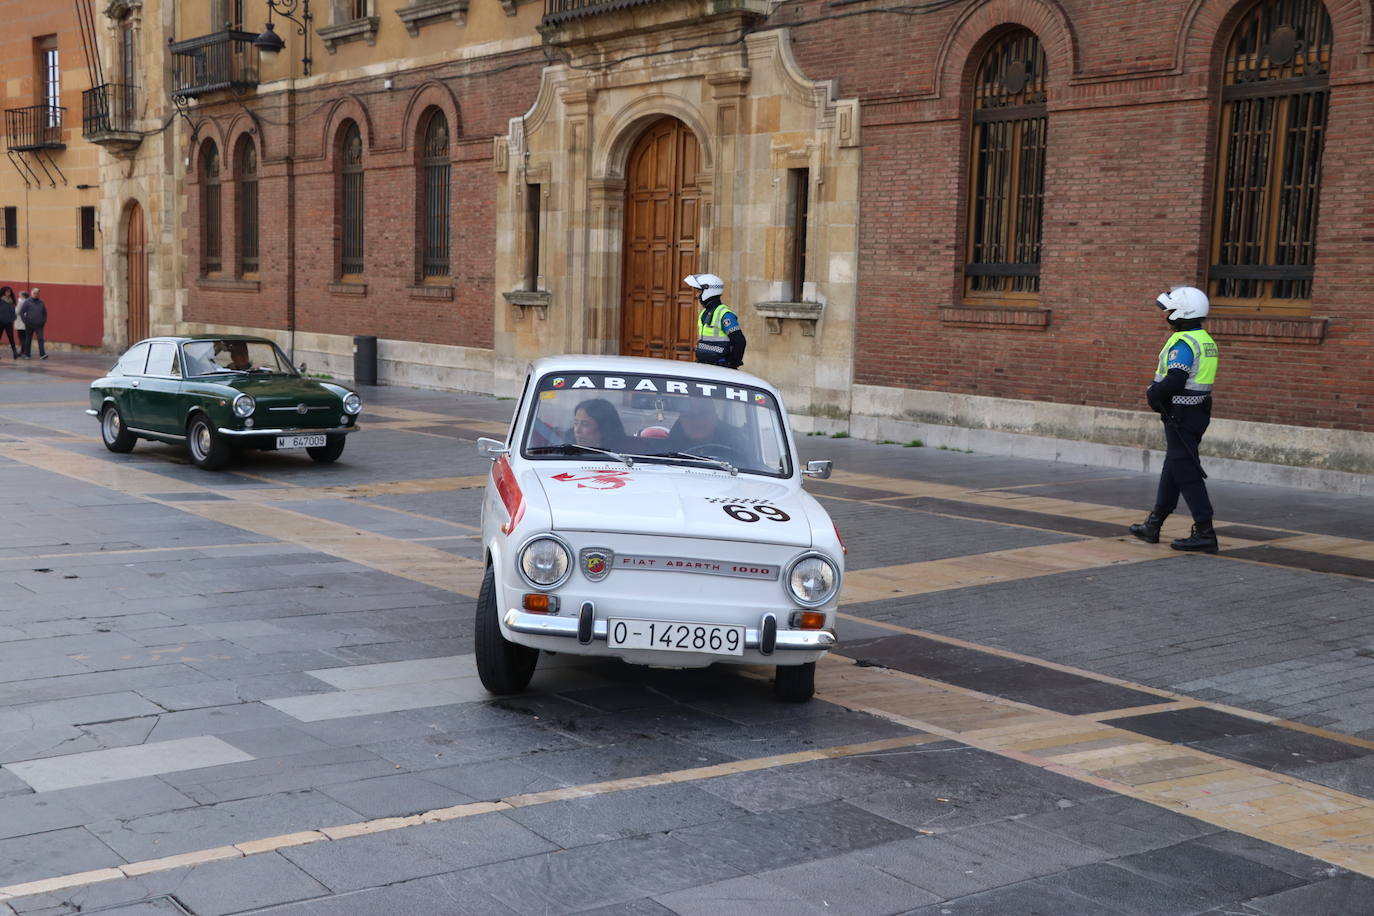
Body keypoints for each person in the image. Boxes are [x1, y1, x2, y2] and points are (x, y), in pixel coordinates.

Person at [1129, 286, 1220, 553]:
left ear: (1182, 311)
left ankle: (1205, 532)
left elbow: (1175, 379)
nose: (1165, 315)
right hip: (1195, 413)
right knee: (1174, 469)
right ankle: (1153, 525)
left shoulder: (1184, 343)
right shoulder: (1203, 339)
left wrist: (1152, 393)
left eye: (1168, 310)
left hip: (1181, 415)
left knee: (1187, 474)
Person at [684, 273, 746, 369]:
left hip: (720, 368)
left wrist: (732, 364)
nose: (697, 295)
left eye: (700, 291)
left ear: (709, 290)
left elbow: (739, 341)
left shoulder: (725, 314)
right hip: (704, 365)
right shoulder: (704, 313)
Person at [665, 397, 749, 460]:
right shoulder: (663, 453)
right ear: (681, 422)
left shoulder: (737, 445)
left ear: (715, 418)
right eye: (689, 416)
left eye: (703, 414)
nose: (697, 421)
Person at [0, 287, 17, 358]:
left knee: (11, 338)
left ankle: (15, 352)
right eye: (7, 292)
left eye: (9, 292)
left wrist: (13, 317)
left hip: (9, 322)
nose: (8, 293)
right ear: (4, 292)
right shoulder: (0, 300)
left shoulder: (11, 301)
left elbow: (13, 311)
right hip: (0, 322)